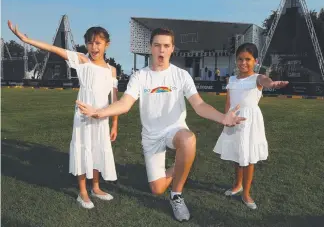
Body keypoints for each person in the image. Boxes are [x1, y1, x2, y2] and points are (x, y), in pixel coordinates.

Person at [76, 28, 245, 222]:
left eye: (166, 46)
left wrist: (223, 118)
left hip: (174, 131)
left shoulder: (181, 75)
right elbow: (124, 103)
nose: (161, 50)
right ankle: (181, 165)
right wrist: (99, 112)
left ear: (172, 49)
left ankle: (176, 196)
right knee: (157, 189)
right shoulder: (140, 77)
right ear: (151, 48)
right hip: (151, 136)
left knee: (189, 139)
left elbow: (199, 105)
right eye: (157, 45)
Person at [8, 20, 119, 209]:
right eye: (90, 43)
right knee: (83, 149)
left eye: (98, 43)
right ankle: (83, 192)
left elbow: (115, 101)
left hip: (102, 118)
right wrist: (26, 40)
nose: (94, 47)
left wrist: (115, 124)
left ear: (106, 44)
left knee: (98, 149)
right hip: (84, 115)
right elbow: (53, 49)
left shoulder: (112, 70)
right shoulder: (83, 60)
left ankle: (96, 187)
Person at [213, 43, 289, 210]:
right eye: (240, 59)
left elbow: (266, 81)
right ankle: (237, 184)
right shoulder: (231, 80)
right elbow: (228, 102)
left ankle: (246, 193)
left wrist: (272, 84)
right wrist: (225, 119)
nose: (243, 63)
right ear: (236, 60)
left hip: (250, 122)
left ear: (256, 60)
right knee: (237, 154)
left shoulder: (257, 78)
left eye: (248, 59)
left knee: (249, 157)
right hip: (234, 120)